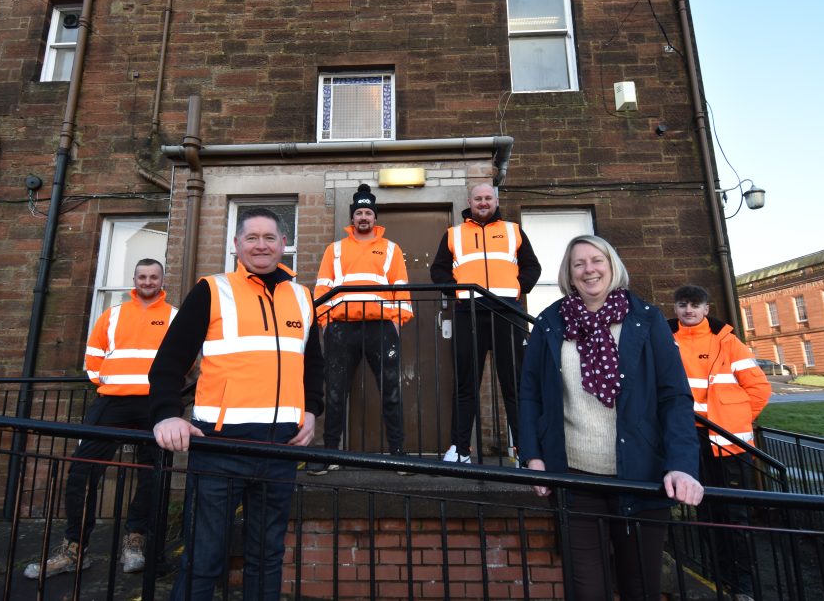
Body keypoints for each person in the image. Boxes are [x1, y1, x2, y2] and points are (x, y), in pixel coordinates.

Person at [148, 208, 324, 601]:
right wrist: (164, 415)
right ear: (236, 245)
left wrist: (312, 409)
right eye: (251, 237)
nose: (261, 245)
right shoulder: (212, 290)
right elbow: (170, 362)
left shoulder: (302, 297)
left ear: (283, 244)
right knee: (203, 558)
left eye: (269, 237)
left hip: (280, 448)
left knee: (267, 558)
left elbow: (312, 364)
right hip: (219, 447)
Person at [519, 235, 703, 601]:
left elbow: (675, 397)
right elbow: (530, 393)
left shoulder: (646, 320)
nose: (589, 269)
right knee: (587, 590)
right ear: (569, 275)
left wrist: (682, 464)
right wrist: (533, 455)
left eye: (596, 260)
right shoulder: (550, 322)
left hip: (641, 477)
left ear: (612, 265)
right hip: (575, 478)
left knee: (640, 587)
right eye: (578, 264)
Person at [24, 258, 176, 579]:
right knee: (82, 471)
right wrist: (107, 382)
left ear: (162, 280)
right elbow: (93, 357)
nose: (148, 282)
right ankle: (74, 548)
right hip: (112, 402)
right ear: (134, 279)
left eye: (153, 277)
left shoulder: (174, 316)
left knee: (153, 475)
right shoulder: (114, 314)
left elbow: (183, 360)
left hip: (153, 405)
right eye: (142, 276)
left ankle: (135, 540)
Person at [669, 284, 771, 601]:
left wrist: (735, 418)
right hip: (687, 439)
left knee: (734, 516)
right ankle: (716, 578)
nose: (689, 310)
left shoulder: (728, 342)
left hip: (726, 443)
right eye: (683, 304)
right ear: (675, 308)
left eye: (695, 305)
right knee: (704, 512)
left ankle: (742, 586)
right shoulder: (665, 339)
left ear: (706, 309)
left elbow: (759, 388)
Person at [429, 182, 540, 464]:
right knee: (466, 384)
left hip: (507, 313)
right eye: (478, 198)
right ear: (470, 201)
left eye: (488, 198)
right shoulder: (454, 234)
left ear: (495, 200)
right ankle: (460, 449)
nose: (483, 202)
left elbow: (532, 267)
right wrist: (456, 291)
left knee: (514, 386)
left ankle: (525, 452)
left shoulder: (513, 230)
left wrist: (518, 288)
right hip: (469, 314)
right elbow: (438, 270)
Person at [308, 184, 413, 475]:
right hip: (341, 329)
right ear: (352, 218)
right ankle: (331, 453)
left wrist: (395, 324)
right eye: (359, 213)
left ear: (375, 218)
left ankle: (398, 454)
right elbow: (323, 288)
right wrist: (326, 323)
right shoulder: (335, 249)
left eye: (368, 212)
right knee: (336, 393)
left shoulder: (391, 248)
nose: (363, 217)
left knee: (391, 391)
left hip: (381, 329)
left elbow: (401, 289)